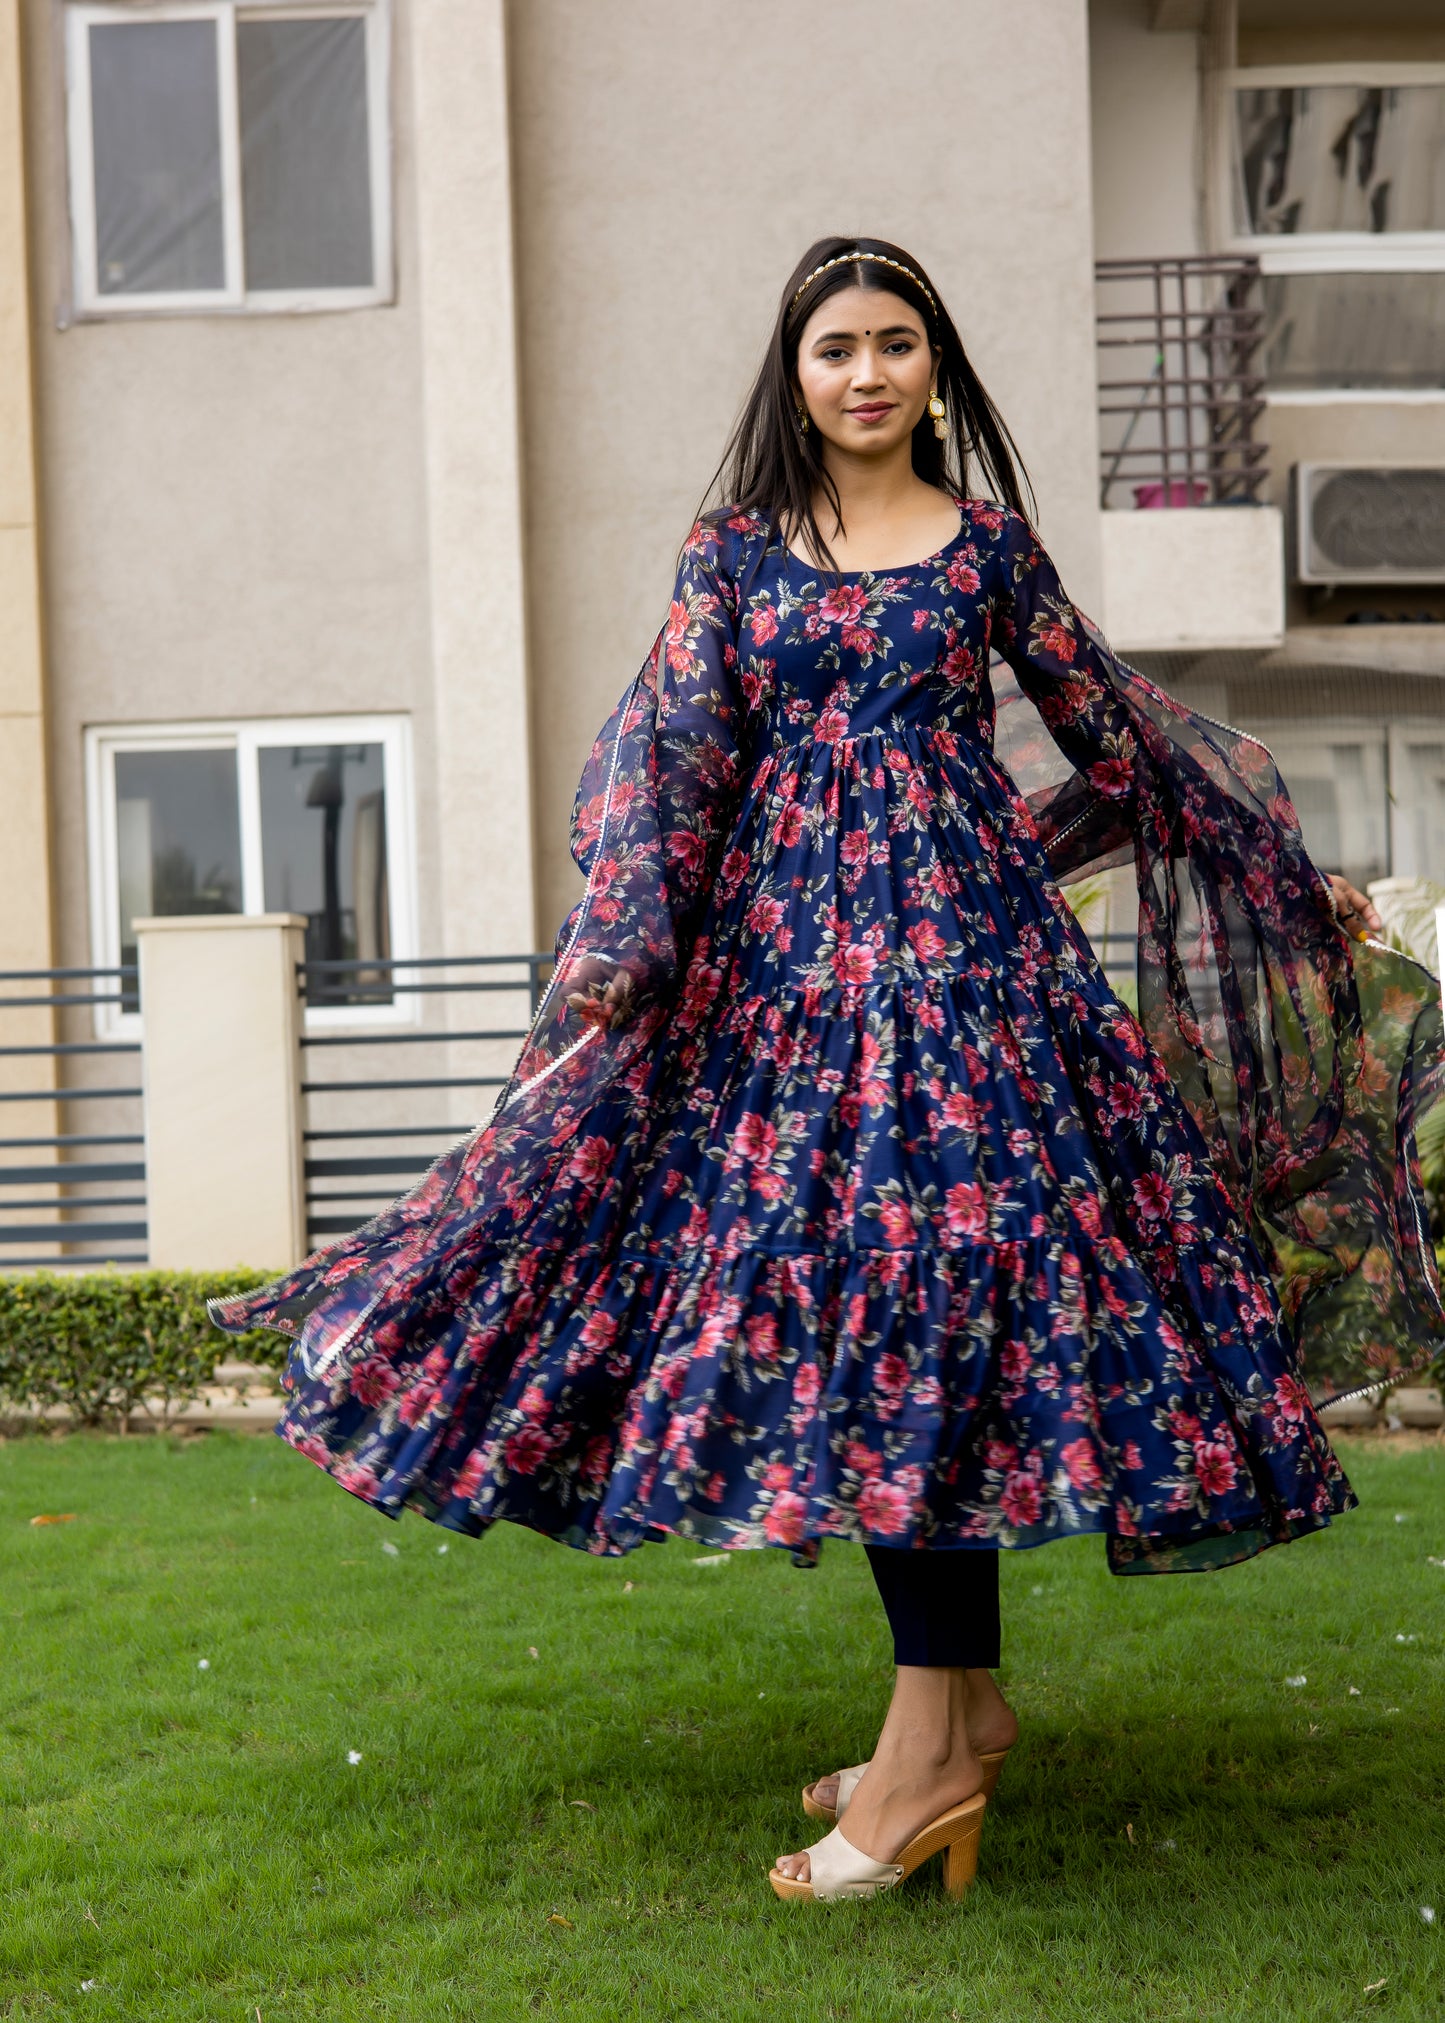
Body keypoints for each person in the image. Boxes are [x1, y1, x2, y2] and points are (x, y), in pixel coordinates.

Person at [212, 237, 1443, 1905]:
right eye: (835, 348)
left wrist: (1283, 875)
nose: (866, 372)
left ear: (935, 366)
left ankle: (929, 1754)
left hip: (969, 996)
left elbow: (1114, 734)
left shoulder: (983, 549)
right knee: (866, 1336)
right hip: (789, 1003)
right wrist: (618, 955)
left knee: (930, 1324)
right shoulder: (733, 560)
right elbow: (671, 766)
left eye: (895, 344)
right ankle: (958, 1714)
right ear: (792, 376)